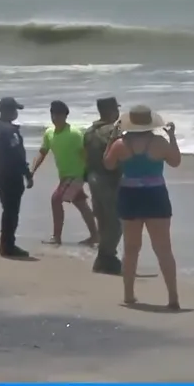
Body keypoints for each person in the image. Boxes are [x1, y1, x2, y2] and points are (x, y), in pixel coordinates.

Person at [104, 105, 181, 309]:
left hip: (130, 196)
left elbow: (108, 164)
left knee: (131, 248)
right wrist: (172, 136)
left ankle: (129, 295)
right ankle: (173, 297)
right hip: (156, 195)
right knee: (163, 248)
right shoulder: (159, 142)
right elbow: (175, 161)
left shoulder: (121, 144)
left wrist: (112, 138)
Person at [30, 100, 98, 246]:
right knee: (81, 204)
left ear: (65, 116)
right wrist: (32, 170)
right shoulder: (49, 133)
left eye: (59, 115)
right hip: (64, 176)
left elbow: (85, 154)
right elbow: (42, 152)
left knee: (56, 199)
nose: (55, 118)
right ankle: (95, 236)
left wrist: (89, 174)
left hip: (76, 175)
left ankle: (56, 237)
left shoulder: (74, 133)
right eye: (53, 114)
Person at [0, 97, 33, 258]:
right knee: (11, 212)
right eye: (14, 110)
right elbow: (17, 155)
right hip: (11, 175)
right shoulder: (10, 131)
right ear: (7, 111)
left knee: (7, 210)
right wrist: (27, 174)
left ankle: (6, 243)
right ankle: (8, 245)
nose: (16, 113)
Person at [84, 97, 123, 274]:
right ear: (112, 111)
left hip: (94, 178)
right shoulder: (113, 131)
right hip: (109, 180)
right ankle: (106, 257)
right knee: (114, 222)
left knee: (103, 219)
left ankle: (104, 258)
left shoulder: (90, 131)